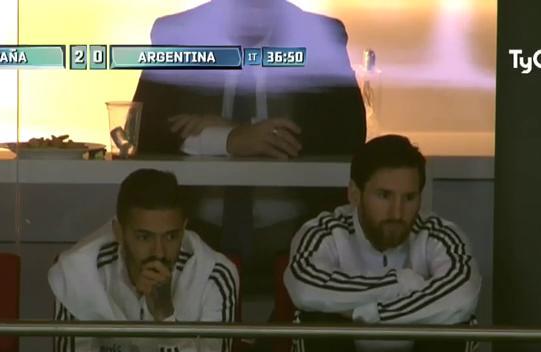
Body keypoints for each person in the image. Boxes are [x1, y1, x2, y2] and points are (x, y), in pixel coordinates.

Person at [132, 0, 366, 292]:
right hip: (191, 235)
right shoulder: (178, 32)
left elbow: (349, 133)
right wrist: (231, 139)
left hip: (300, 236)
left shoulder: (320, 34)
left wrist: (234, 131)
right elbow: (144, 130)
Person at [279, 135, 481, 352]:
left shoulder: (440, 234)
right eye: (384, 195)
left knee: (458, 323)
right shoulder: (323, 231)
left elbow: (462, 297)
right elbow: (305, 289)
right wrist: (399, 282)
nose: (397, 211)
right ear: (354, 193)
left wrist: (368, 313)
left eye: (409, 197)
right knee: (316, 318)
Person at [33, 169, 239, 352]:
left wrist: (165, 316)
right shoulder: (78, 271)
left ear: (184, 228)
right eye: (144, 237)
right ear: (119, 232)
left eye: (171, 236)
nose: (159, 253)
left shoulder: (214, 274)